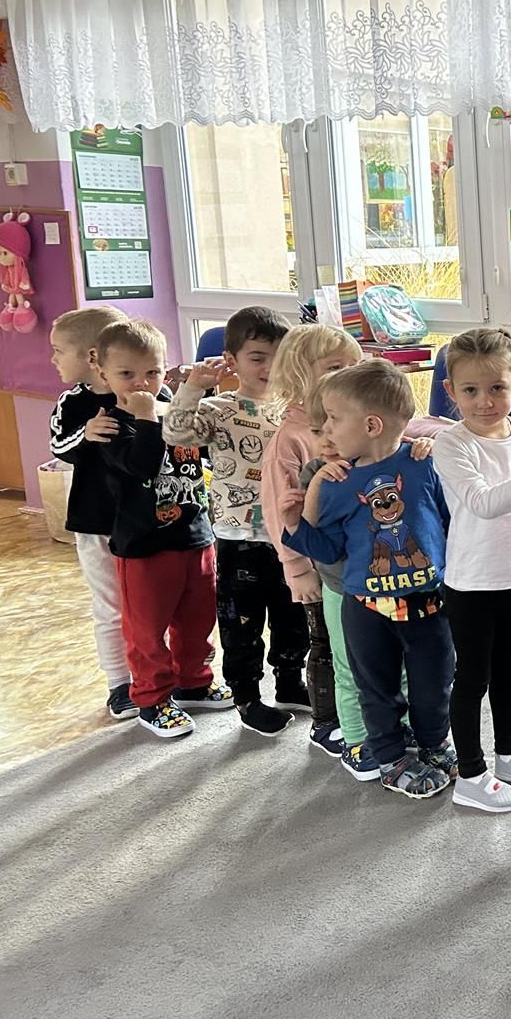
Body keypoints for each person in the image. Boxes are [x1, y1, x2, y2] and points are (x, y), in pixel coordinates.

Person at [282, 360, 457, 799]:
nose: (326, 431)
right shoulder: (336, 481)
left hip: (430, 605)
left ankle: (434, 744)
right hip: (367, 611)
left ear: (372, 425)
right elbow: (327, 551)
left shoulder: (424, 464)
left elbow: (450, 522)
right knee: (377, 690)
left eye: (333, 419)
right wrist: (298, 517)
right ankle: (392, 759)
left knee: (435, 685)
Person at [431, 328, 511, 813]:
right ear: (451, 390)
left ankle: (509, 755)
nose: (485, 401)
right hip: (473, 581)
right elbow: (484, 504)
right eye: (470, 390)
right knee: (472, 678)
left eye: (497, 388)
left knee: (510, 671)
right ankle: (470, 774)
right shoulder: (452, 444)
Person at [163, 306, 309, 738]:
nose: (268, 368)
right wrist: (193, 386)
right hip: (239, 537)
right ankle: (247, 697)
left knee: (293, 618)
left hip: (290, 535)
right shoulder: (219, 408)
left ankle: (289, 683)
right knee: (242, 624)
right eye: (257, 357)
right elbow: (175, 432)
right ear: (232, 359)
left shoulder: (295, 409)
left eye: (278, 358)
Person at [94, 319, 231, 739]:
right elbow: (142, 465)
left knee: (197, 619)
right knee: (147, 630)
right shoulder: (111, 426)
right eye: (127, 374)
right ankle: (152, 699)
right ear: (103, 375)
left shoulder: (173, 409)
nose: (142, 383)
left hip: (195, 535)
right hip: (144, 546)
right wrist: (145, 417)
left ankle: (194, 680)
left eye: (152, 372)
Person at [260, 325, 366, 765]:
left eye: (354, 366)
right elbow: (277, 509)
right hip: (313, 563)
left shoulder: (353, 422)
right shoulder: (292, 437)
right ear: (300, 375)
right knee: (323, 644)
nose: (349, 374)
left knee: (353, 647)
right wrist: (296, 567)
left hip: (348, 562)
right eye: (336, 367)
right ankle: (326, 723)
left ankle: (357, 714)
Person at [47, 304, 132, 720]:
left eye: (59, 350)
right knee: (110, 605)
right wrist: (87, 434)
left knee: (153, 604)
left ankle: (167, 674)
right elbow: (58, 447)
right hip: (96, 521)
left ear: (93, 355)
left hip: (149, 522)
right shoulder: (72, 402)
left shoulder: (143, 392)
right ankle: (120, 683)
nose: (53, 359)